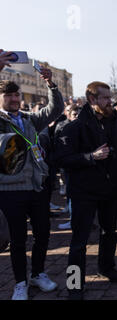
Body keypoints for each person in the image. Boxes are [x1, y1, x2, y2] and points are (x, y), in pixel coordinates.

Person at [55, 81, 117, 300]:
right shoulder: (74, 127)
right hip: (83, 193)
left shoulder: (115, 123)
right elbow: (62, 159)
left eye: (110, 97)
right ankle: (74, 283)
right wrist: (91, 157)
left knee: (109, 233)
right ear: (93, 100)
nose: (110, 101)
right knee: (79, 241)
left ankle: (106, 267)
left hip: (110, 191)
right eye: (105, 98)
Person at [0, 67, 64, 300]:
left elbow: (55, 109)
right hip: (10, 190)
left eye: (17, 95)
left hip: (36, 187)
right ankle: (20, 283)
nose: (15, 99)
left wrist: (50, 84)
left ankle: (38, 273)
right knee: (18, 239)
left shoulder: (29, 120)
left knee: (43, 234)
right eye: (9, 96)